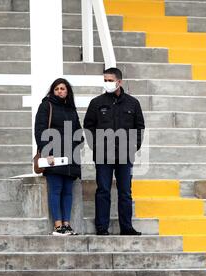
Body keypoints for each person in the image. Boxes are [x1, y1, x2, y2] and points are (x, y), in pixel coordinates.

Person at [83, 68, 145, 236]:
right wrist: (96, 145)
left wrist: (134, 146)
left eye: (110, 80)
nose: (107, 83)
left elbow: (139, 127)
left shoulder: (133, 103)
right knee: (103, 190)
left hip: (125, 155)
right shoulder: (97, 103)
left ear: (119, 82)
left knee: (125, 192)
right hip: (103, 155)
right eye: (105, 80)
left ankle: (127, 227)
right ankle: (102, 228)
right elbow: (88, 126)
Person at [34, 78, 83, 236]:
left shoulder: (71, 108)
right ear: (52, 91)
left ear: (67, 91)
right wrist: (46, 151)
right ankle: (57, 225)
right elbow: (40, 130)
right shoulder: (46, 106)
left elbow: (78, 130)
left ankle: (67, 224)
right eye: (57, 89)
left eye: (62, 88)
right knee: (56, 189)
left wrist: (76, 141)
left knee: (68, 191)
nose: (60, 91)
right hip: (53, 155)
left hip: (71, 156)